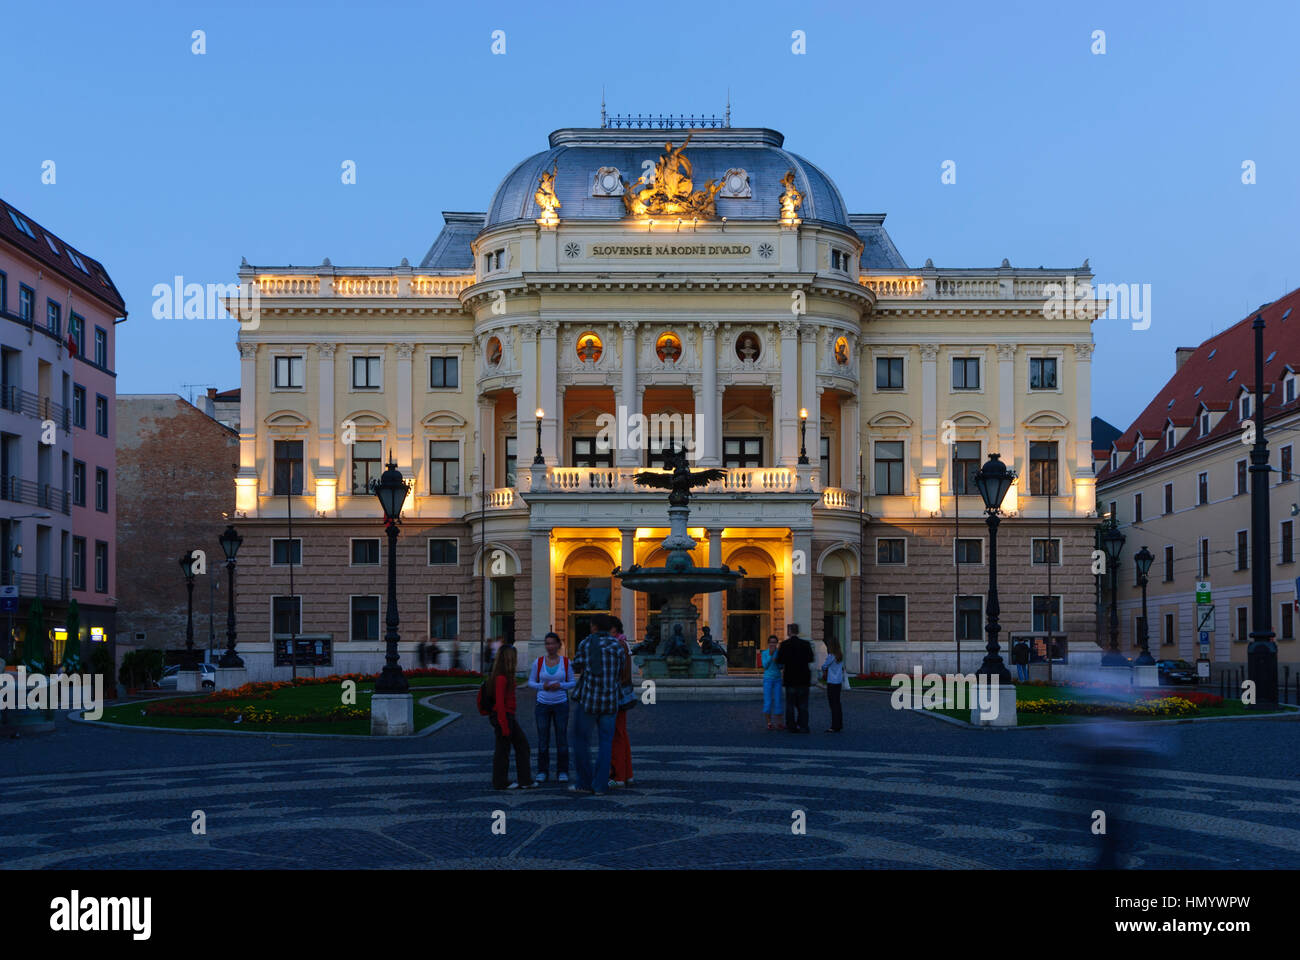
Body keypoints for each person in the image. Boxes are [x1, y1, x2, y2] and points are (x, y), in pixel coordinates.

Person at [570, 613, 626, 796]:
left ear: (594, 626)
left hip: (589, 701)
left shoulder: (586, 643)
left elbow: (577, 664)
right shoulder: (616, 645)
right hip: (610, 702)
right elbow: (621, 670)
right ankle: (601, 786)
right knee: (606, 744)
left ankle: (584, 783)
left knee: (581, 740)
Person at [528, 632, 575, 783]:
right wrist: (543, 686)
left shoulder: (566, 662)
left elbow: (573, 682)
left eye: (552, 643)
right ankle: (542, 770)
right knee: (543, 740)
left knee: (561, 739)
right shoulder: (539, 662)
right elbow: (531, 682)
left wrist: (560, 685)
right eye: (547, 643)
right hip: (543, 704)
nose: (550, 646)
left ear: (558, 645)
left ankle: (563, 770)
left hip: (561, 703)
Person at [487, 645, 536, 790]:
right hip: (504, 717)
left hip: (507, 716)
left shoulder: (502, 676)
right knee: (507, 749)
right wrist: (504, 725)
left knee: (515, 747)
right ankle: (503, 781)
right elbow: (500, 704)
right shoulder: (501, 678)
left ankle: (522, 780)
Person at [609, 617, 635, 787]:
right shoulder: (624, 644)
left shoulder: (617, 646)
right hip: (622, 694)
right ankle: (627, 773)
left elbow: (614, 673)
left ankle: (618, 775)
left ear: (614, 629)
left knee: (616, 735)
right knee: (621, 734)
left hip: (614, 695)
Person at [776, 622, 814, 733]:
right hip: (803, 678)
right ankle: (803, 725)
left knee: (790, 704)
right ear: (797, 631)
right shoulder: (806, 644)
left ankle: (791, 725)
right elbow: (810, 658)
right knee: (803, 704)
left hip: (790, 678)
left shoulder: (784, 644)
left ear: (789, 632)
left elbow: (780, 661)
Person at [821, 637, 845, 733]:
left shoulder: (831, 656)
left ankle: (834, 726)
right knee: (837, 704)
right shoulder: (840, 655)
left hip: (831, 682)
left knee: (833, 704)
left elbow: (824, 666)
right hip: (838, 682)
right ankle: (839, 724)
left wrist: (824, 669)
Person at [760, 635, 784, 730]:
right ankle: (769, 723)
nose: (772, 644)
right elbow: (765, 666)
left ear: (776, 643)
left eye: (774, 642)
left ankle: (779, 723)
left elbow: (781, 666)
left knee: (778, 701)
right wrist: (770, 656)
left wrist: (778, 662)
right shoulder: (765, 653)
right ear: (768, 643)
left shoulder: (779, 653)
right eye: (771, 642)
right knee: (768, 701)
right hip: (768, 679)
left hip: (777, 679)